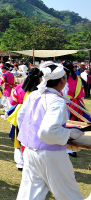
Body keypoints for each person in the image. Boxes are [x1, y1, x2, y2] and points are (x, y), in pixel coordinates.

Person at [16, 62, 85, 200]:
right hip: (51, 154)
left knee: (30, 193)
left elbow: (21, 118)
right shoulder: (56, 101)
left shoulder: (34, 94)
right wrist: (70, 134)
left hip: (30, 150)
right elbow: (47, 132)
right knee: (68, 193)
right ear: (62, 80)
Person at [7, 68, 43, 170]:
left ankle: (20, 162)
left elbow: (13, 101)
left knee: (19, 139)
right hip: (36, 116)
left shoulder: (19, 87)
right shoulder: (41, 91)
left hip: (20, 114)